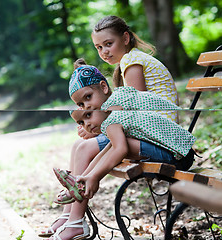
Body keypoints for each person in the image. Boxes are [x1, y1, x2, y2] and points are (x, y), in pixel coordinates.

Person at [39, 15, 179, 238]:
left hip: (161, 138)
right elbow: (128, 117)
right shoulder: (129, 62)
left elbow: (134, 113)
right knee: (79, 146)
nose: (104, 51)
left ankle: (75, 220)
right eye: (98, 47)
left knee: (85, 148)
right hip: (154, 134)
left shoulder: (132, 64)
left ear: (125, 38)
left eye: (108, 44)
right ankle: (69, 215)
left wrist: (98, 128)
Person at [46, 65, 195, 240]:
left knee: (120, 144)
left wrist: (94, 177)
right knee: (113, 144)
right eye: (81, 105)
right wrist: (86, 176)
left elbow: (120, 149)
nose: (87, 106)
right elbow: (109, 149)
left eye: (88, 97)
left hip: (177, 155)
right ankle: (78, 186)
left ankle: (77, 202)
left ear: (103, 87)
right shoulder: (115, 102)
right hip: (181, 151)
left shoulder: (113, 116)